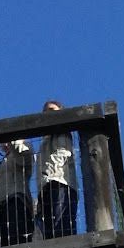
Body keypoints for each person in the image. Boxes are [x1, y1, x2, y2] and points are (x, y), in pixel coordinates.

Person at [36, 99, 79, 239]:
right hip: (48, 184)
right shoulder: (46, 139)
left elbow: (63, 152)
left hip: (60, 182)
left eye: (52, 109)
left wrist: (47, 172)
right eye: (45, 111)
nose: (48, 113)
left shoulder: (62, 129)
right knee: (51, 228)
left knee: (60, 226)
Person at [0, 136, 36, 248]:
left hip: (15, 202)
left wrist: (11, 138)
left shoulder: (25, 146)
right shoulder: (3, 162)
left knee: (18, 244)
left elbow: (24, 156)